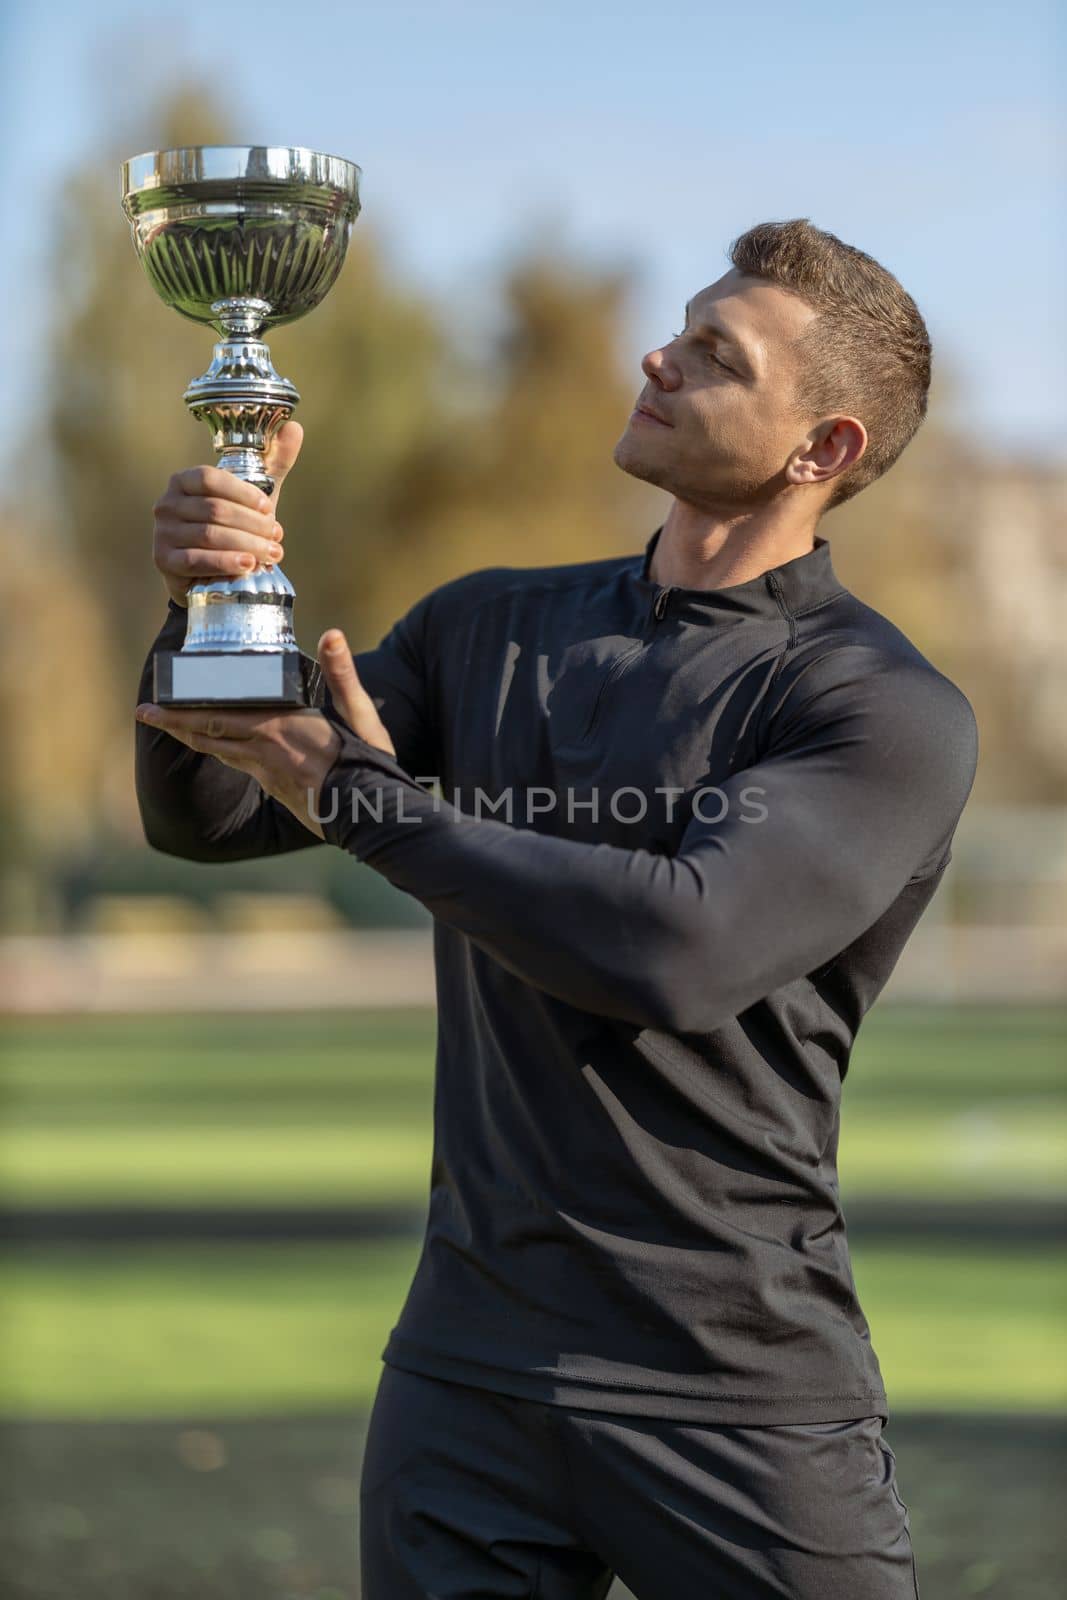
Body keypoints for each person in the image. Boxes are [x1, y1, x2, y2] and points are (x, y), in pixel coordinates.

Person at [135, 218, 978, 1598]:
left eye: (716, 354)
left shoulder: (877, 707)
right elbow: (210, 815)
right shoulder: (490, 629)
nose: (658, 355)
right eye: (679, 326)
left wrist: (361, 798)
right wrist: (212, 604)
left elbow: (678, 947)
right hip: (465, 1375)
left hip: (735, 1393)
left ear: (820, 449)